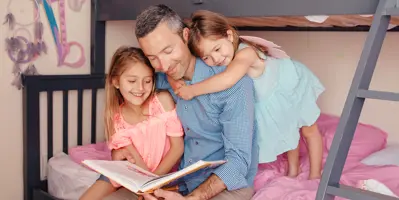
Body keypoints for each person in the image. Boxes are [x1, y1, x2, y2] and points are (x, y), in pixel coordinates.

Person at [105, 4, 259, 200]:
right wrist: (119, 151)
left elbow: (238, 162)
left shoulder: (234, 84)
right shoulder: (157, 81)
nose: (164, 65)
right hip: (181, 182)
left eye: (168, 50)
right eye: (153, 58)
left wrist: (192, 199)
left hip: (226, 186)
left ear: (186, 36)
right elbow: (127, 107)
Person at [172, 10, 325, 180]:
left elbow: (227, 79)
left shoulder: (246, 53)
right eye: (206, 57)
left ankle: (315, 174)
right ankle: (293, 170)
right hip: (270, 96)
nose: (215, 58)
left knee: (309, 130)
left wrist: (192, 90)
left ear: (229, 35)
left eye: (217, 49)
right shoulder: (227, 57)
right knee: (287, 129)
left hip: (290, 85)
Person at [80, 46, 184, 200]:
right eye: (132, 81)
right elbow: (135, 161)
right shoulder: (117, 118)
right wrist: (144, 186)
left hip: (160, 175)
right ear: (115, 81)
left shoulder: (162, 102)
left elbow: (177, 148)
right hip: (130, 173)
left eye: (147, 81)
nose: (140, 88)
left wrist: (152, 183)